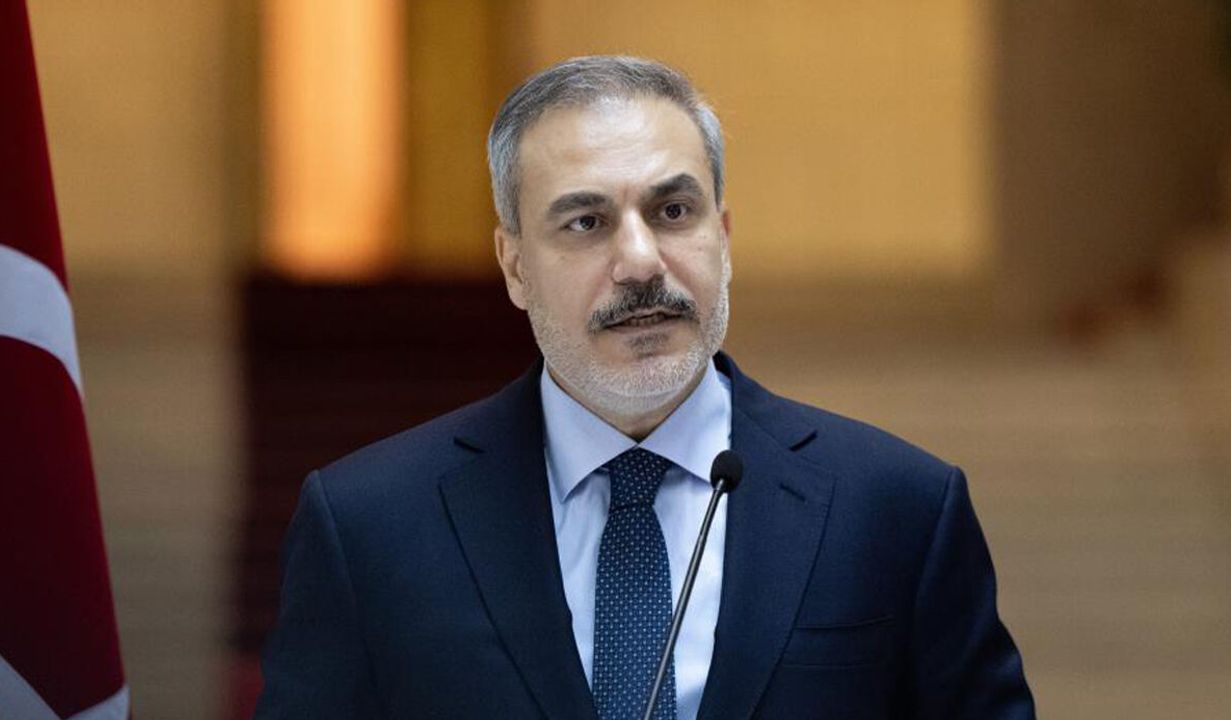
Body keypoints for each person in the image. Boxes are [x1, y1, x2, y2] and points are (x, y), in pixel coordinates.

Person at [256, 55, 1035, 719]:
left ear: (722, 239)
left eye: (672, 210)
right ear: (515, 266)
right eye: (586, 222)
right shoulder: (368, 525)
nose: (640, 262)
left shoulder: (897, 509)